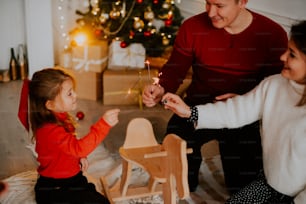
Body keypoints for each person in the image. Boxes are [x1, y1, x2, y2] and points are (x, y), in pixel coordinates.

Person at [142, 0, 288, 194]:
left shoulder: (272, 34)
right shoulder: (192, 27)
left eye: (219, 5)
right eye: (208, 3)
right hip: (195, 107)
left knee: (243, 189)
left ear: (242, 2)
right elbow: (175, 68)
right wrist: (161, 88)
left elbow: (275, 85)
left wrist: (245, 100)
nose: (211, 12)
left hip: (240, 114)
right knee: (178, 180)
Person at [161, 20, 306, 204]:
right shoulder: (274, 85)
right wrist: (190, 112)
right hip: (267, 184)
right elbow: (235, 111)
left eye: (292, 54)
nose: (282, 57)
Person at [29, 68, 120, 204]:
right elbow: (79, 148)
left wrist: (79, 157)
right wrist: (103, 124)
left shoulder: (59, 116)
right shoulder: (50, 130)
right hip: (55, 188)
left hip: (72, 178)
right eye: (69, 93)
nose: (75, 95)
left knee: (97, 197)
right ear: (50, 104)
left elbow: (70, 146)